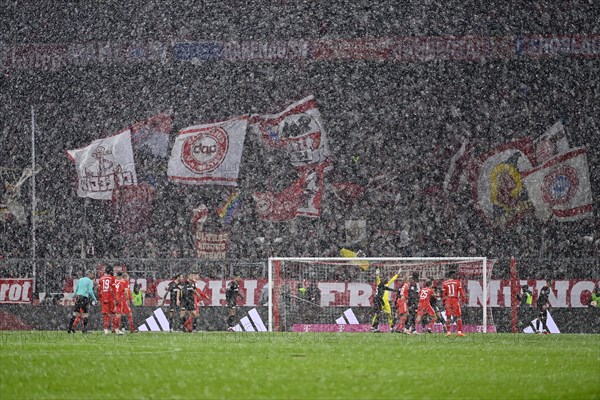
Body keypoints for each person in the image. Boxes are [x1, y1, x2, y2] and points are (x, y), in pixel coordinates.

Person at [371, 268, 399, 333]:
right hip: (380, 302)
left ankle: (391, 327)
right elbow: (378, 279)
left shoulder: (386, 285)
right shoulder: (380, 284)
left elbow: (392, 279)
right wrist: (377, 274)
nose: (387, 280)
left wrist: (397, 274)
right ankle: (374, 327)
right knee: (377, 314)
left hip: (385, 303)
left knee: (389, 314)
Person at [442, 270, 466, 337]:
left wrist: (444, 302)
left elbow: (443, 295)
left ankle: (448, 332)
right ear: (452, 275)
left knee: (448, 317)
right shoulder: (457, 282)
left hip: (448, 300)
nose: (456, 276)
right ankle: (459, 331)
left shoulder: (445, 283)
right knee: (458, 316)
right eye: (455, 274)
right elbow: (461, 292)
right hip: (455, 300)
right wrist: (464, 300)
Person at [98, 265, 116, 335]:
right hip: (110, 298)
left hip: (104, 298)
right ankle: (113, 328)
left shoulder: (101, 279)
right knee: (113, 313)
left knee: (106, 314)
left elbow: (99, 290)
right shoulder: (112, 278)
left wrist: (100, 298)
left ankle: (105, 329)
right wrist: (115, 298)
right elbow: (114, 290)